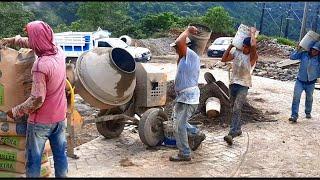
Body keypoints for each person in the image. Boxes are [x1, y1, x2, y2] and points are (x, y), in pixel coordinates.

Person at [0, 21, 68, 177]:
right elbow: (33, 42)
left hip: (41, 122)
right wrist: (12, 40)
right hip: (60, 117)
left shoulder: (40, 66)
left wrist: (15, 111)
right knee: (60, 156)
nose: (30, 40)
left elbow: (37, 99)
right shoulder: (59, 51)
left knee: (33, 161)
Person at [169, 26, 206, 162]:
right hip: (183, 97)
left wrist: (188, 31)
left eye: (177, 48)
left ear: (186, 46)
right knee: (177, 122)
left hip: (188, 98)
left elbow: (179, 42)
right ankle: (197, 133)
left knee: (179, 126)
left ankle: (185, 153)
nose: (176, 49)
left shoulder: (191, 55)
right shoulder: (184, 58)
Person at [221, 27, 258, 145]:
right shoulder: (237, 53)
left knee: (237, 108)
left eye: (247, 47)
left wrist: (252, 33)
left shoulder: (252, 57)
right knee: (233, 109)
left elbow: (253, 45)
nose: (244, 48)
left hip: (244, 85)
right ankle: (238, 129)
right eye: (243, 46)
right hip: (233, 84)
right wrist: (230, 46)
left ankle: (231, 133)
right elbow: (223, 59)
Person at [288, 41, 320, 123]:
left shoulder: (318, 59)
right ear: (310, 49)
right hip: (300, 81)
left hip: (311, 82)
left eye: (316, 51)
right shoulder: (303, 54)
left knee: (309, 98)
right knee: (296, 97)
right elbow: (292, 57)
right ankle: (294, 115)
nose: (314, 52)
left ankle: (308, 112)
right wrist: (298, 49)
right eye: (313, 50)